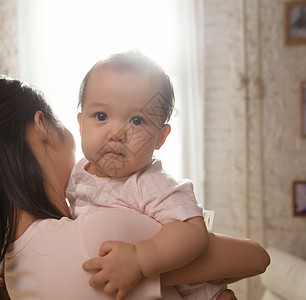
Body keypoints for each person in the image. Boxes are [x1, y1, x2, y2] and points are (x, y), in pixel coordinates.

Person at [0, 75, 269, 299]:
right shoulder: (96, 240)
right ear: (43, 128)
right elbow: (253, 257)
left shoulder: (12, 272)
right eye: (99, 117)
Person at [66, 52, 222, 299]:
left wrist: (140, 259)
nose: (116, 133)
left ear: (160, 137)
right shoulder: (77, 172)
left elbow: (192, 231)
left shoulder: (150, 183)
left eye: (137, 121)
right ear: (80, 123)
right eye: (101, 116)